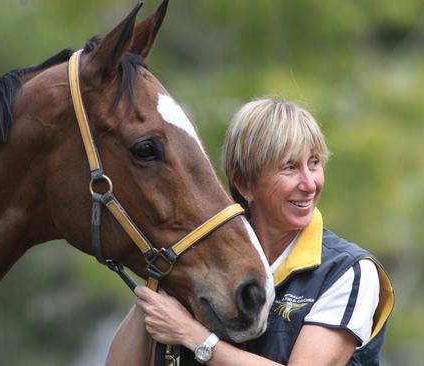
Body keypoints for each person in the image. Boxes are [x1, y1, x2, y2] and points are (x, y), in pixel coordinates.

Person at [106, 98, 394, 366]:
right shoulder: (199, 261)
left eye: (315, 163)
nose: (309, 183)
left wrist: (194, 337)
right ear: (244, 183)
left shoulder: (349, 271)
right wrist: (154, 294)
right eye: (290, 167)